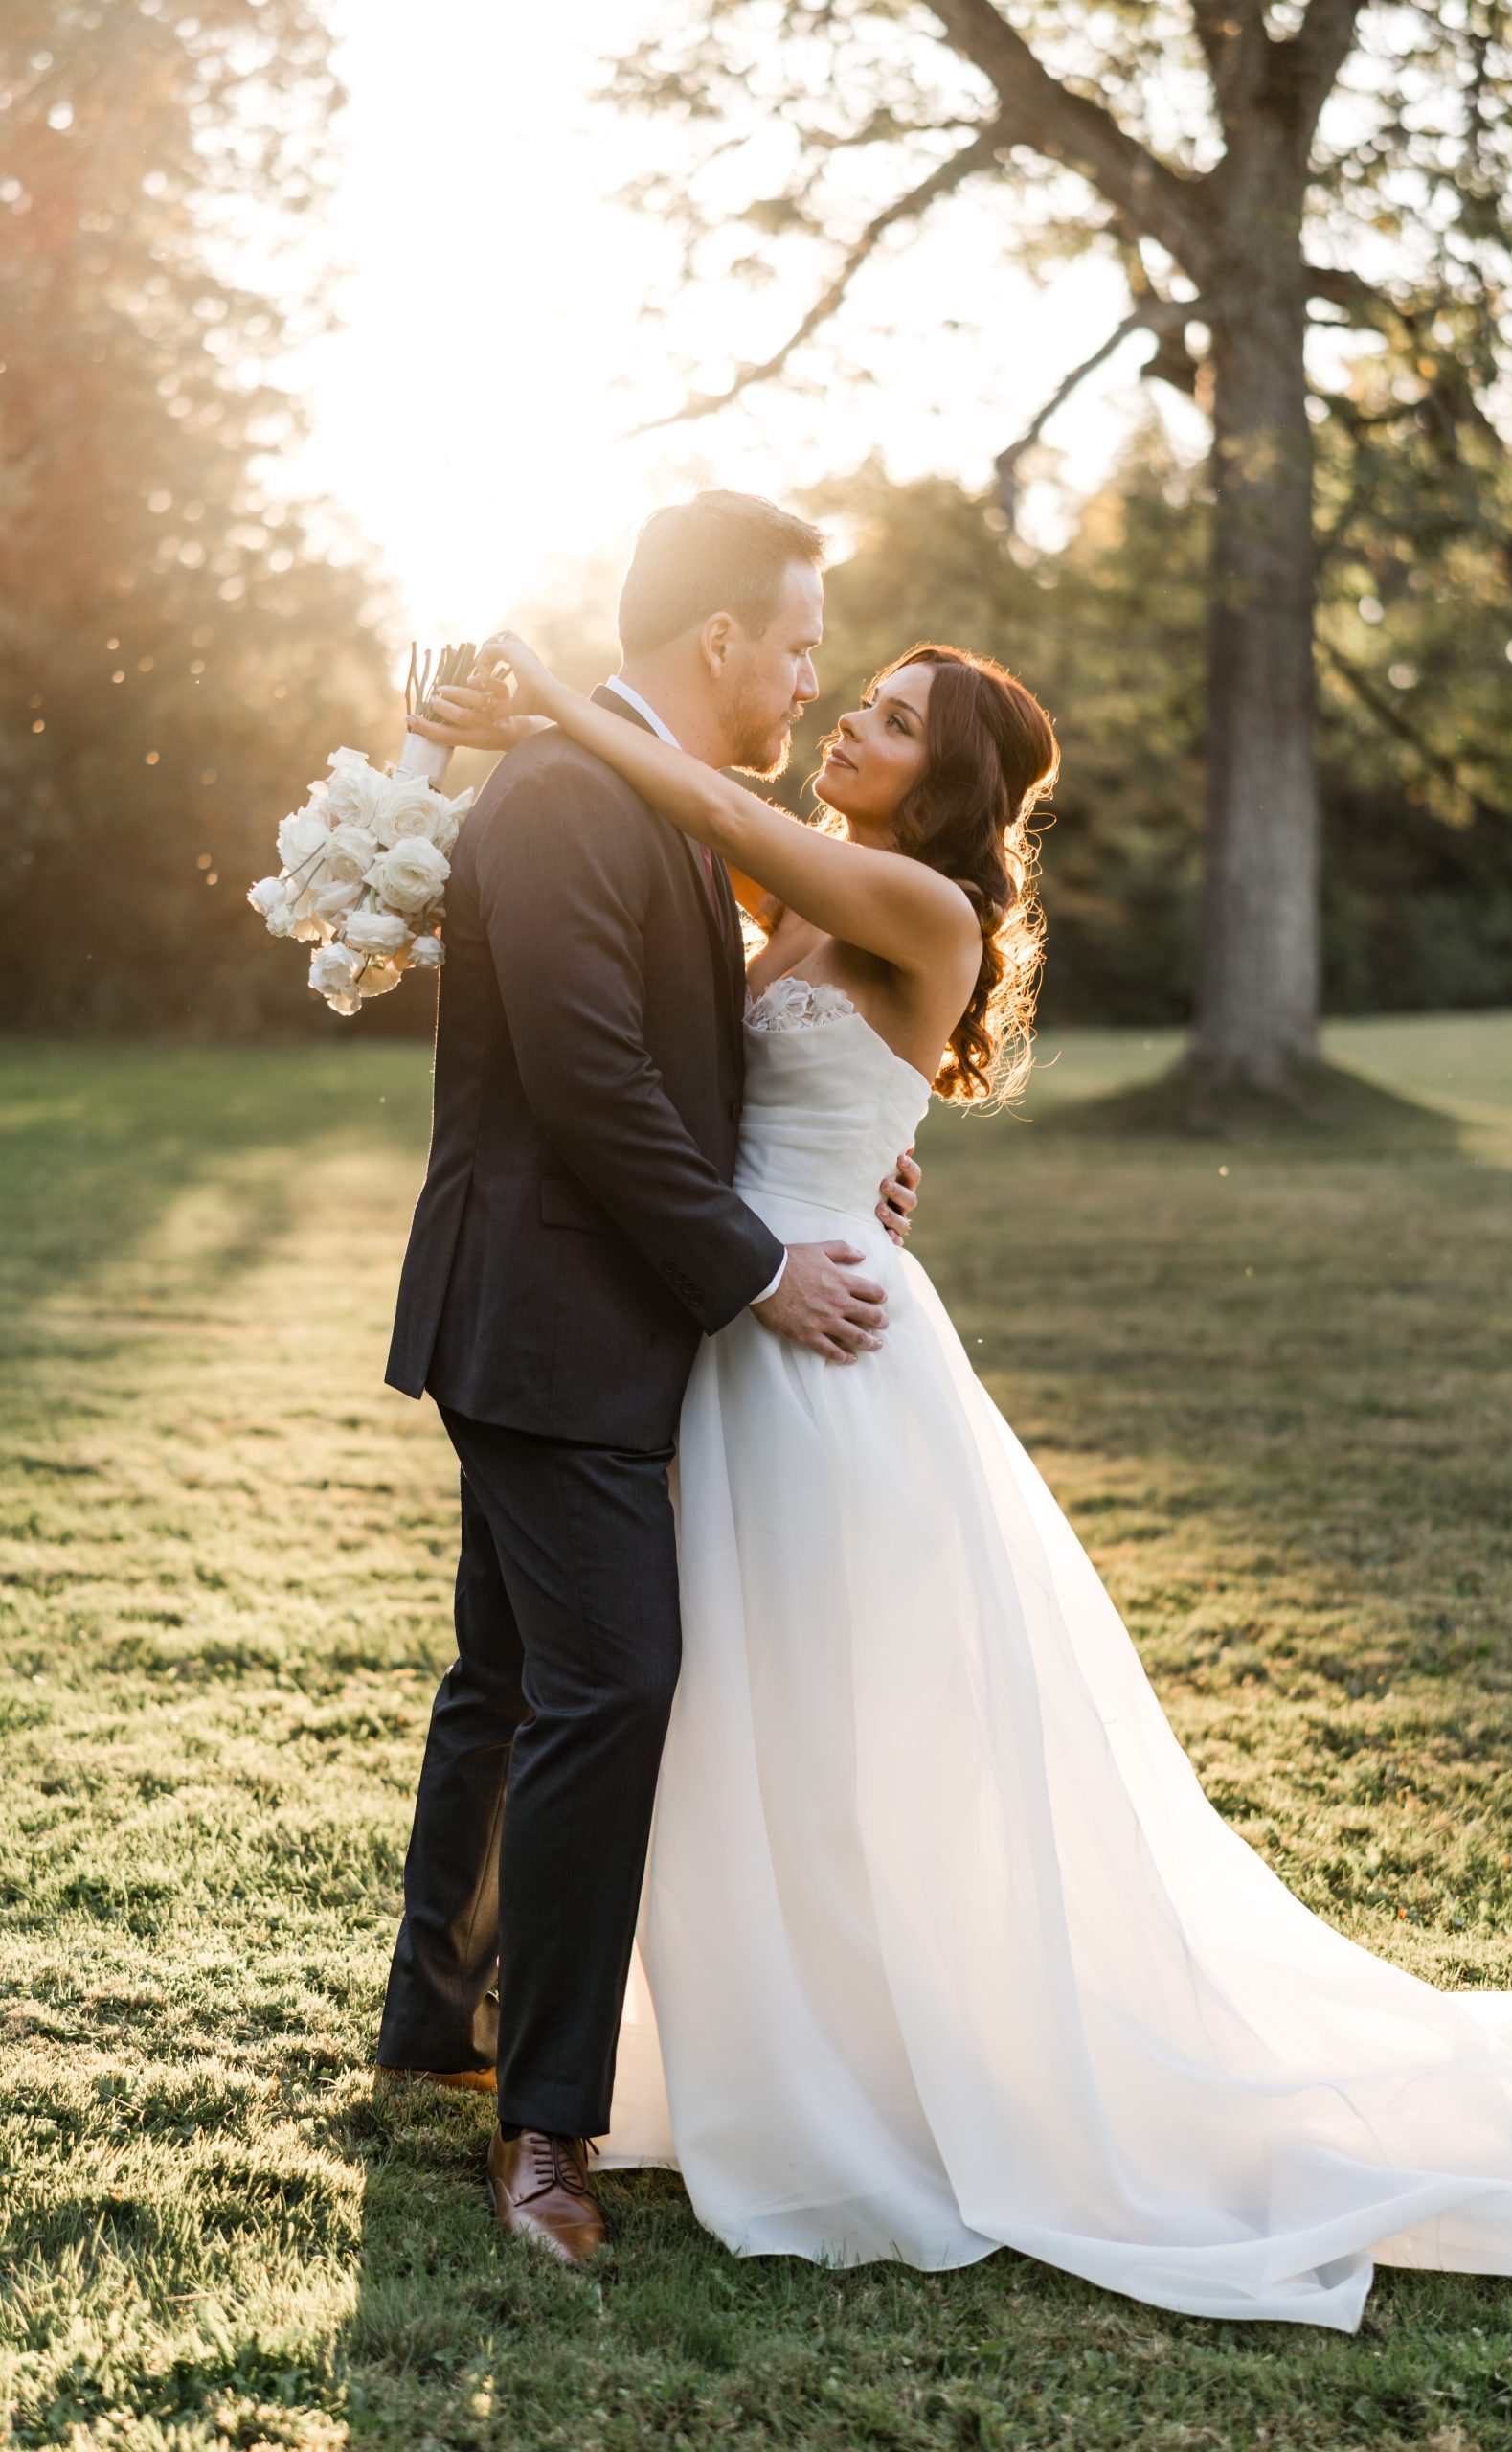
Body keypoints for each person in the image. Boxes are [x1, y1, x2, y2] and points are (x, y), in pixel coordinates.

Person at [409, 617, 1512, 2331]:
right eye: (854, 694)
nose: (848, 721)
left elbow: (713, 820)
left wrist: (558, 703)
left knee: (845, 1720)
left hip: (824, 1355)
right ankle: (681, 2035)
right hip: (730, 1328)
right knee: (717, 1712)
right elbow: (677, 959)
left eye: (894, 722)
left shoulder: (922, 905)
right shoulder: (817, 898)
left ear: (953, 782)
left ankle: (876, 2065)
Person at [374, 492, 921, 2260]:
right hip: (547, 1321)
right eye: (799, 643)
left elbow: (706, 1062)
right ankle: (543, 2132)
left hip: (573, 1313)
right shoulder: (558, 798)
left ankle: (436, 2028)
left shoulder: (653, 796)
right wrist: (761, 1268)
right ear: (720, 647)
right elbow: (597, 1087)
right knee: (613, 1686)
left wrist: (843, 1175)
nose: (807, 674)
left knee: (513, 1669)